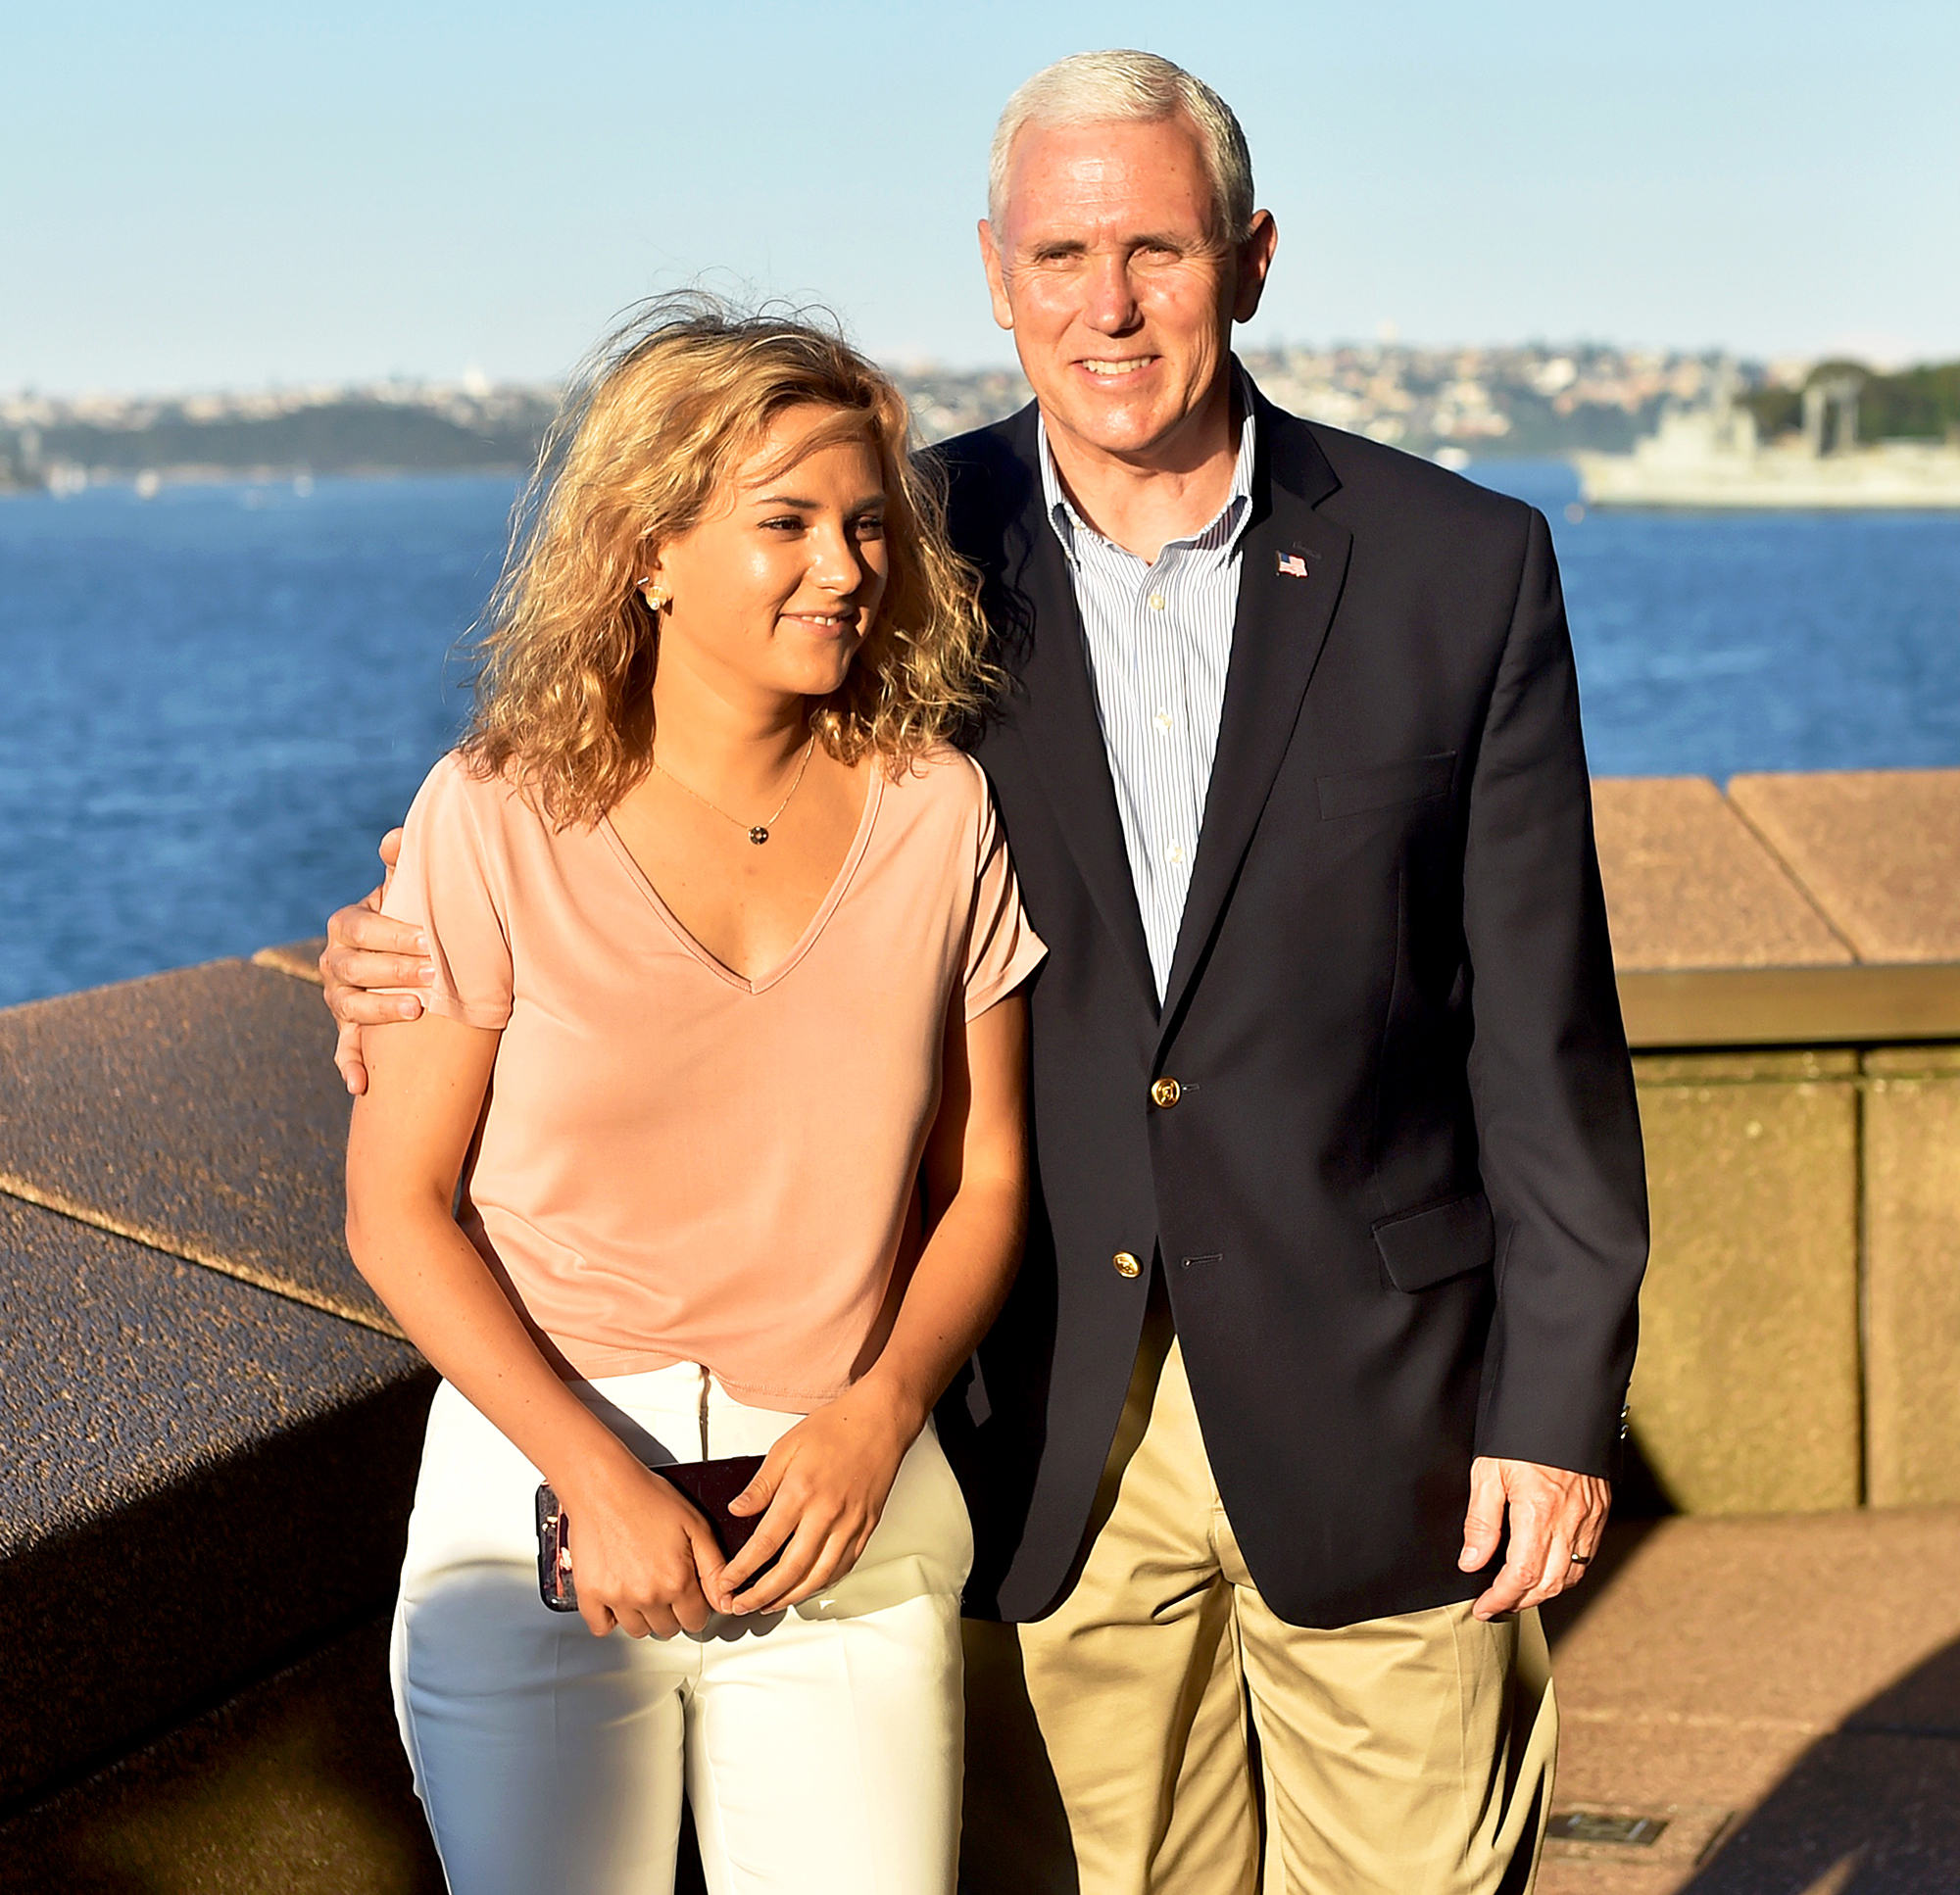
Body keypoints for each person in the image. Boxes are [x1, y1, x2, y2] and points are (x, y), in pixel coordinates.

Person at [326, 51, 1648, 1895]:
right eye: (1060, 254)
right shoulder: (902, 550)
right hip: (1045, 1414)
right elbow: (624, 800)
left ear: (1253, 259)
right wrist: (390, 937)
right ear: (994, 268)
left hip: (1391, 1399)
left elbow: (1544, 1026)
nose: (1106, 307)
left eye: (1158, 252)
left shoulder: (1460, 564)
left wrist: (1556, 1407)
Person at [340, 304, 1044, 1895]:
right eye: (785, 523)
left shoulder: (941, 811)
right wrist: (594, 1476)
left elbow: (986, 1178)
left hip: (845, 1511)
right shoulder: (493, 815)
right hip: (545, 1525)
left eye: (867, 526)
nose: (847, 567)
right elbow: (394, 1203)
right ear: (647, 549)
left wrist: (880, 1418)